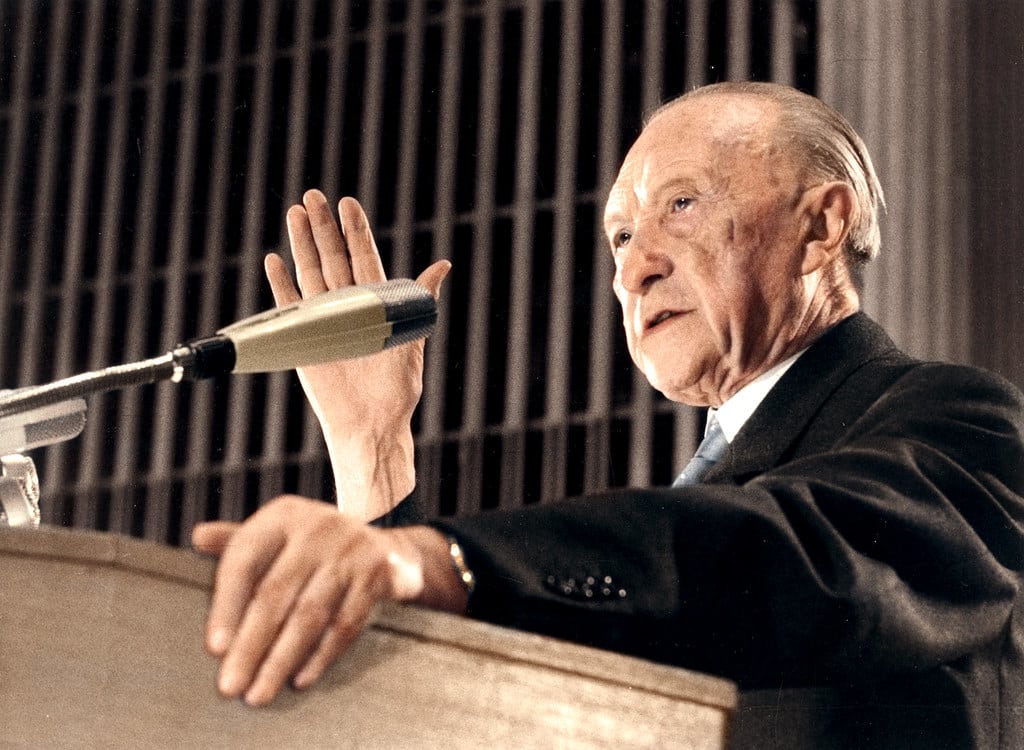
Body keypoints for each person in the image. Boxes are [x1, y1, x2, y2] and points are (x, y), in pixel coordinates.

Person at [192, 82, 1024, 748]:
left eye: (682, 205)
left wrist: (444, 560)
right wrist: (373, 455)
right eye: (620, 237)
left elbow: (780, 562)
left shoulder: (961, 421)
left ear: (822, 225)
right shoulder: (689, 508)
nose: (633, 271)